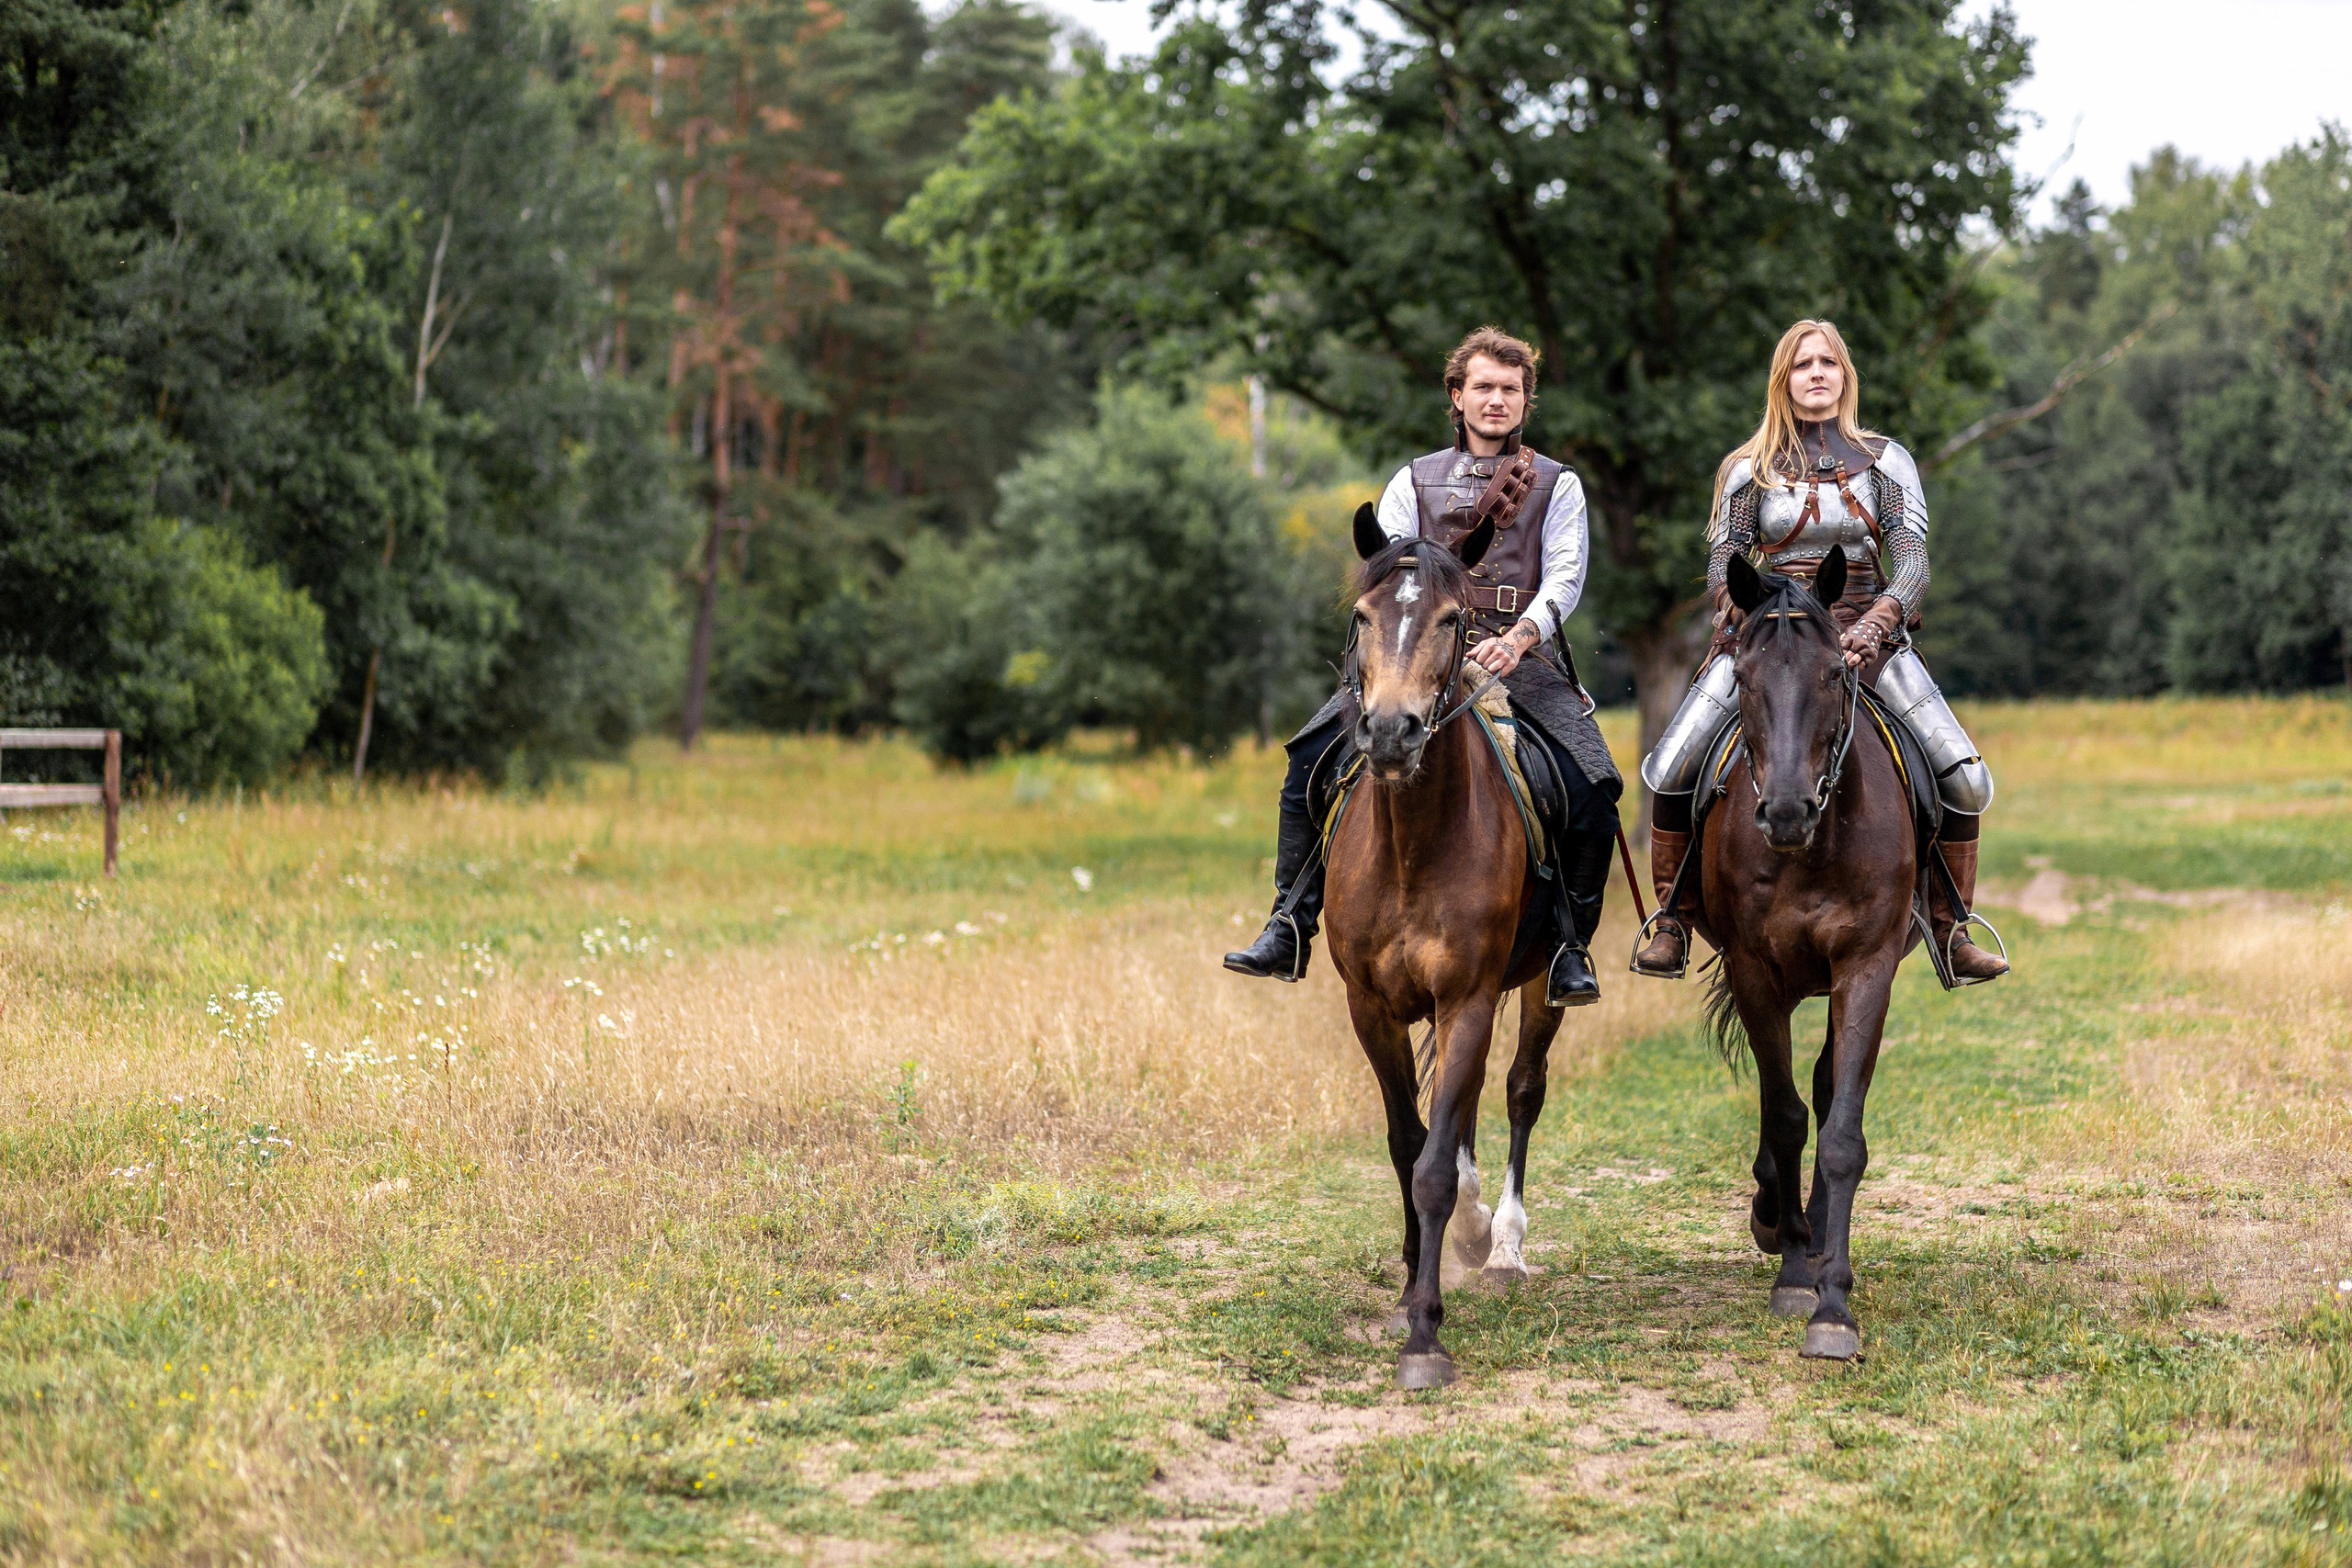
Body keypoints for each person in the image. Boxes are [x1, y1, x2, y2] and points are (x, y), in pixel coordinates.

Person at [1224, 327, 1623, 1005]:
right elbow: (1391, 569)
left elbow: (1565, 578)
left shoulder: (1560, 484)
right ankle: (1290, 919)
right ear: (1457, 395)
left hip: (1518, 657)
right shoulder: (1413, 478)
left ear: (1527, 400)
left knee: (1592, 785)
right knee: (1308, 760)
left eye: (1510, 389)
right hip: (1414, 656)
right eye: (1483, 387)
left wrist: (1519, 637)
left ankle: (1567, 948)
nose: (1496, 400)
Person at [1630, 319, 2007, 985]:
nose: (1817, 374)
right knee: (1669, 768)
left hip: (1866, 637)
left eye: (1828, 362)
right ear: (1785, 378)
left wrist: (1877, 622)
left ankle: (1951, 928)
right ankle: (1674, 918)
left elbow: (1913, 560)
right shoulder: (1748, 468)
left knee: (1964, 776)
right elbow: (1723, 562)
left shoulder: (1887, 461)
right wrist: (1744, 613)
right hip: (1769, 638)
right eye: (1803, 364)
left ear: (1844, 375)